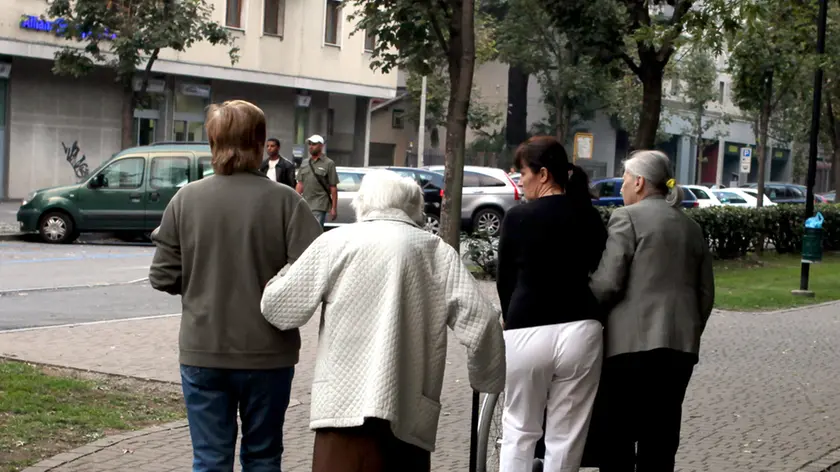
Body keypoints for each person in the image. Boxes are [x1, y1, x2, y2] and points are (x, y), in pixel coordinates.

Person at [260, 169, 506, 472]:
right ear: (413, 206)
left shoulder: (336, 242)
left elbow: (280, 309)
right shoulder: (435, 252)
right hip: (409, 414)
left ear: (363, 203)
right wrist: (486, 379)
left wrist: (278, 277)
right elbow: (483, 322)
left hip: (341, 408)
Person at [149, 100, 323, 472]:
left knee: (210, 460)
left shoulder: (185, 199)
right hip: (269, 353)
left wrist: (202, 281)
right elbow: (316, 271)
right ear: (261, 144)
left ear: (212, 143)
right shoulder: (287, 203)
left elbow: (162, 276)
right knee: (263, 458)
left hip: (203, 349)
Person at [590, 150, 715, 472]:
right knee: (661, 437)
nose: (621, 189)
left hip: (629, 345)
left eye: (625, 182)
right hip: (680, 347)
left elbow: (608, 282)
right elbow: (705, 293)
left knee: (616, 435)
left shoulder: (626, 218)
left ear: (640, 182)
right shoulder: (691, 227)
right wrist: (689, 329)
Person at [496, 136, 607, 472]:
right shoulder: (589, 216)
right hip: (581, 329)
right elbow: (597, 266)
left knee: (519, 427)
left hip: (528, 327)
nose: (521, 181)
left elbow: (505, 282)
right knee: (567, 434)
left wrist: (509, 318)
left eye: (523, 173)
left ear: (543, 174)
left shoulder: (518, 217)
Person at [295, 134, 338, 227]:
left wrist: (334, 208)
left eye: (314, 144)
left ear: (321, 146)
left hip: (320, 204)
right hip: (305, 203)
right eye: (309, 144)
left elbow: (333, 187)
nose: (311, 146)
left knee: (315, 231)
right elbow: (300, 184)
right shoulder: (305, 162)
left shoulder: (329, 163)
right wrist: (295, 202)